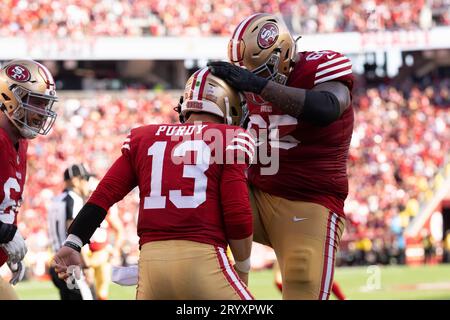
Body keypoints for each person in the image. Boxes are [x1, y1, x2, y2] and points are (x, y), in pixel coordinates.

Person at [52, 68, 255, 300]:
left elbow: (104, 195)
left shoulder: (144, 138)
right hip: (204, 260)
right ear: (230, 106)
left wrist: (74, 241)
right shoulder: (230, 137)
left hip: (151, 266)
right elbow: (237, 213)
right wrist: (243, 265)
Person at [208, 13, 354, 299]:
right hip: (254, 193)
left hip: (309, 203)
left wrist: (259, 84)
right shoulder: (248, 83)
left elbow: (326, 107)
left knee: (301, 289)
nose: (253, 79)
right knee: (194, 194)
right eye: (248, 73)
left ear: (283, 53)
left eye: (259, 71)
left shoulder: (321, 66)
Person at [0, 59, 58, 299]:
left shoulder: (20, 143)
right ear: (9, 98)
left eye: (46, 104)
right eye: (37, 103)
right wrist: (4, 234)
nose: (43, 113)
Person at [47, 163, 93, 300]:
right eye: (85, 178)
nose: (87, 183)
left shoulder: (55, 200)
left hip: (56, 262)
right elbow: (75, 234)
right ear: (74, 180)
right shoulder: (75, 199)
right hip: (70, 265)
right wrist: (86, 265)